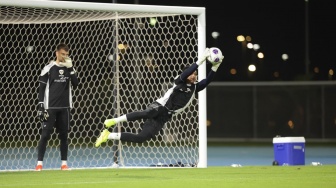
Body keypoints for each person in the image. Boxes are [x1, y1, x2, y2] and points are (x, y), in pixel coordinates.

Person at [95, 47, 223, 165]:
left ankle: (108, 135)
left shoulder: (195, 88)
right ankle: (113, 121)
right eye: (192, 73)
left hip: (165, 116)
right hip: (160, 106)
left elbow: (207, 81)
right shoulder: (179, 81)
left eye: (195, 74)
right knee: (148, 113)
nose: (194, 75)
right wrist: (200, 61)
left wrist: (215, 67)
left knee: (142, 138)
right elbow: (185, 74)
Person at [35, 43, 79, 171]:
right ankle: (39, 164)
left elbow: (76, 84)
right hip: (50, 107)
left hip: (65, 108)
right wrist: (40, 105)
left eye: (67, 55)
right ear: (57, 53)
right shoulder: (48, 68)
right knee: (45, 135)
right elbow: (42, 88)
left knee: (64, 136)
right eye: (62, 54)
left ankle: (64, 164)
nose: (65, 57)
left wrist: (71, 68)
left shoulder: (69, 68)